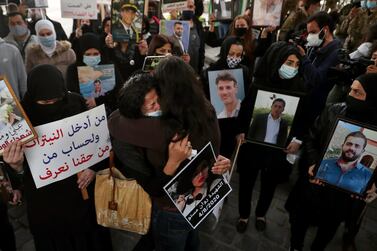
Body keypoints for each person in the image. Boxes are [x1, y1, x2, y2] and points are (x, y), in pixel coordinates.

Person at [108, 57, 230, 251]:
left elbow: (115, 121)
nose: (158, 106)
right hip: (200, 199)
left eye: (159, 96)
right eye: (152, 103)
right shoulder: (205, 107)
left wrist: (172, 164)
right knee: (192, 241)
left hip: (172, 209)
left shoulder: (164, 129)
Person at [2, 64, 112, 251]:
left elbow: (98, 143)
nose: (51, 106)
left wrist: (93, 169)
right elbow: (19, 177)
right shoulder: (20, 119)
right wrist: (16, 166)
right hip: (47, 208)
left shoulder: (76, 103)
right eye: (44, 103)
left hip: (82, 198)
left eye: (57, 100)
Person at [286, 73, 377, 251]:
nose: (350, 95)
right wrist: (312, 164)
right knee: (300, 219)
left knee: (328, 228)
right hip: (314, 184)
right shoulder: (333, 110)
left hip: (343, 197)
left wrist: (373, 185)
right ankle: (295, 247)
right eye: (351, 89)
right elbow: (312, 138)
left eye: (357, 93)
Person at [235, 41, 307, 234]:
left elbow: (303, 120)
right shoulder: (259, 83)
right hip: (253, 147)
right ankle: (243, 214)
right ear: (277, 61)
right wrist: (241, 130)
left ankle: (260, 214)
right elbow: (245, 112)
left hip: (277, 152)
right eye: (289, 62)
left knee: (269, 186)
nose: (292, 68)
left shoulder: (300, 86)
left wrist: (297, 141)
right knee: (246, 183)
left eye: (296, 64)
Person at [66, 32, 123, 114]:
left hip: (109, 114)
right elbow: (71, 96)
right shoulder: (73, 70)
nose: (92, 57)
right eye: (88, 54)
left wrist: (98, 103)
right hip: (83, 116)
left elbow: (119, 92)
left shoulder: (109, 67)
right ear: (81, 54)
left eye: (96, 54)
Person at [181, 0, 205, 73]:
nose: (188, 9)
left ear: (194, 8)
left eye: (190, 7)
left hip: (196, 70)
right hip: (181, 70)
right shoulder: (175, 24)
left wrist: (201, 65)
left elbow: (201, 47)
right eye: (185, 7)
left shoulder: (198, 25)